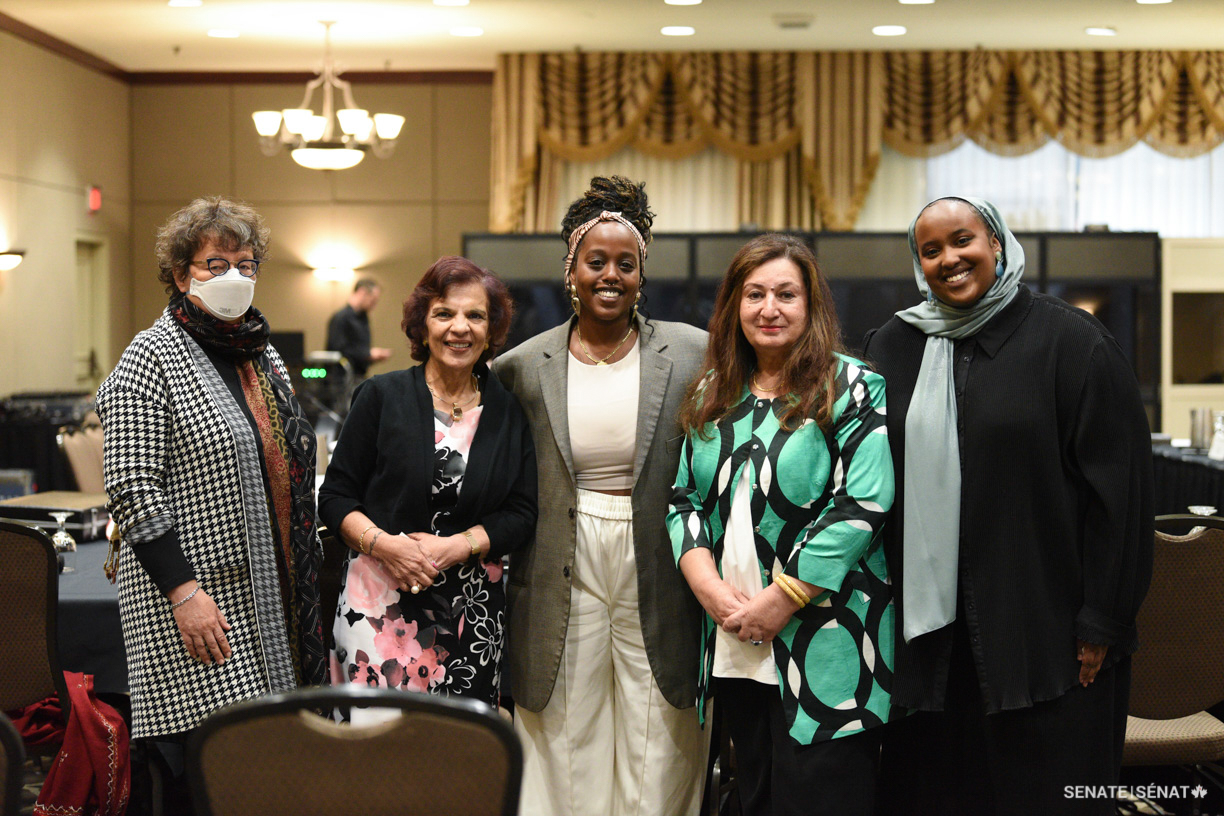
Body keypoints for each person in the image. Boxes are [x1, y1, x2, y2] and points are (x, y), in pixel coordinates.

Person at [863, 197, 1153, 814]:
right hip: (929, 654)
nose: (949, 259)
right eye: (930, 250)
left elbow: (1121, 497)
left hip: (1045, 641)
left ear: (996, 242)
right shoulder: (893, 347)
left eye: (962, 240)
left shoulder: (1073, 344)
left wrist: (1103, 620)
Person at [96, 196, 325, 808]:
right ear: (181, 273)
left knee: (259, 770)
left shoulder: (259, 350)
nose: (235, 278)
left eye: (247, 264)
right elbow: (132, 491)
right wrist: (184, 594)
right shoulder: (150, 357)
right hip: (193, 609)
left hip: (266, 602)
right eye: (215, 263)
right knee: (199, 774)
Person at [493, 176, 710, 816]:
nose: (610, 275)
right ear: (571, 269)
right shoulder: (523, 366)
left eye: (626, 263)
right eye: (596, 262)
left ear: (643, 273)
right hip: (561, 553)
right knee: (565, 726)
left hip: (661, 555)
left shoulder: (694, 353)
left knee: (660, 729)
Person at [667, 234, 895, 816]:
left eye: (786, 295)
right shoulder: (710, 391)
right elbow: (683, 500)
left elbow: (862, 504)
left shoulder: (853, 386)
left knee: (822, 798)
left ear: (811, 305)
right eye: (755, 294)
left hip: (825, 638)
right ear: (734, 307)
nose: (769, 309)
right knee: (755, 795)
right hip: (734, 638)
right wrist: (711, 592)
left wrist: (782, 598)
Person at [318, 256, 536, 713]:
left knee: (454, 763)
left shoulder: (508, 411)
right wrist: (385, 546)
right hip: (377, 608)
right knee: (372, 756)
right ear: (422, 325)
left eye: (475, 315)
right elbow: (335, 497)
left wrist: (458, 546)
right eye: (444, 314)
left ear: (492, 328)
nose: (460, 328)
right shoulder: (380, 397)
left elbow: (521, 511)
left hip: (471, 616)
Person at [327, 278, 392, 377]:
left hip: (358, 375)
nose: (373, 306)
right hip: (341, 380)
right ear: (362, 292)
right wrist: (368, 353)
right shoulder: (341, 317)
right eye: (373, 300)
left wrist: (371, 356)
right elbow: (338, 350)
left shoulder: (363, 318)